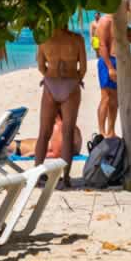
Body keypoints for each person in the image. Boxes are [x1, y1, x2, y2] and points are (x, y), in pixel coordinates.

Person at [34, 26, 87, 185]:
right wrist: (74, 79)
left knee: (44, 132)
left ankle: (37, 173)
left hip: (51, 83)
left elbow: (41, 66)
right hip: (70, 82)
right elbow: (83, 68)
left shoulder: (44, 38)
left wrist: (50, 77)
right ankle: (66, 177)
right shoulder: (77, 39)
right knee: (68, 133)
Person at [91, 11, 120, 140]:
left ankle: (111, 130)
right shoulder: (105, 21)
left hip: (118, 61)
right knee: (106, 97)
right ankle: (102, 132)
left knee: (115, 99)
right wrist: (110, 67)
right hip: (108, 61)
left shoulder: (119, 19)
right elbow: (102, 44)